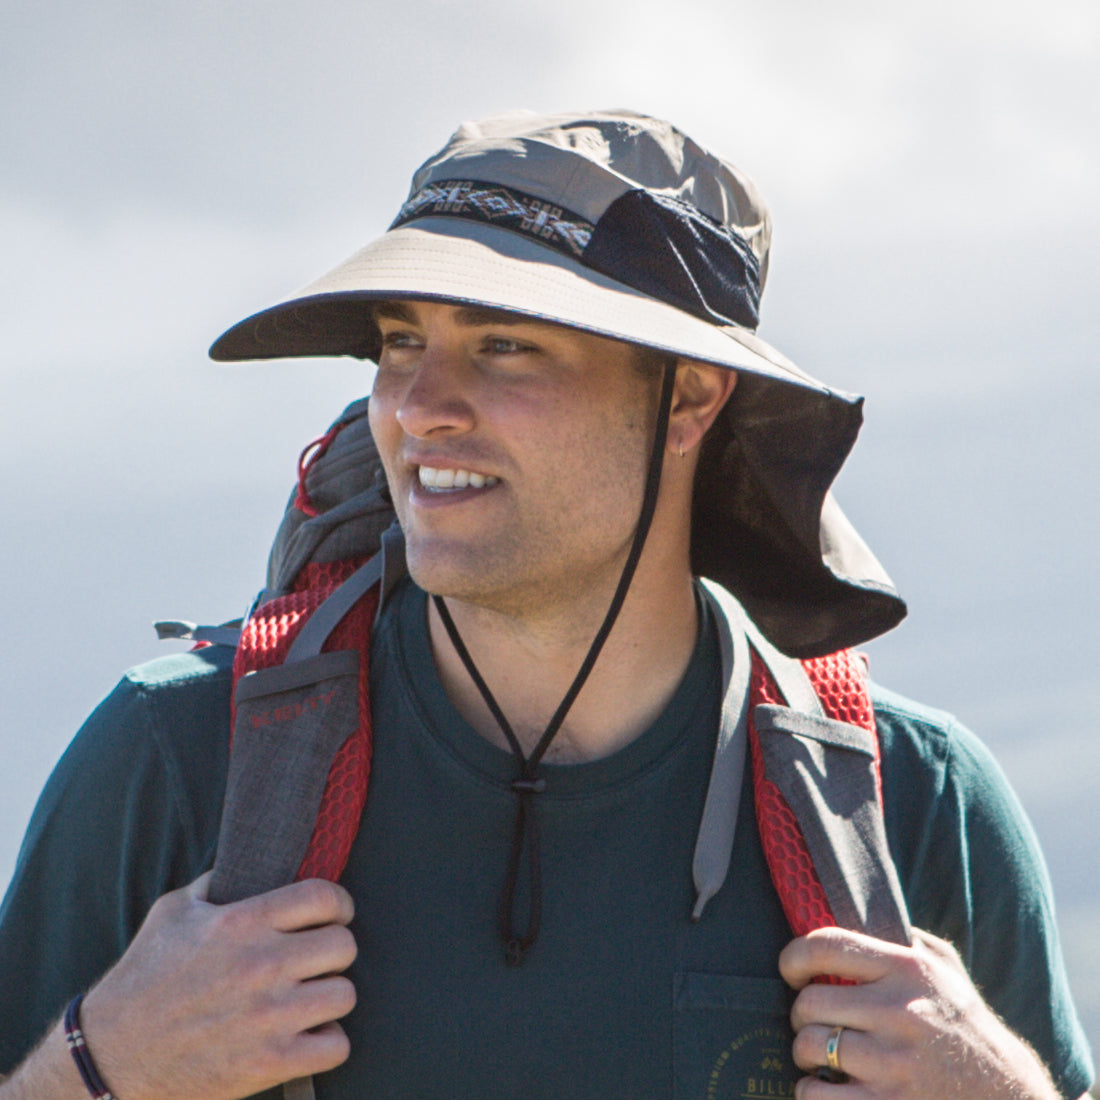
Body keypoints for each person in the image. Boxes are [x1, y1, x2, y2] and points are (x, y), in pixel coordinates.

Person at [0, 109, 1092, 1100]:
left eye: (504, 344)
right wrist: (94, 1069)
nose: (419, 407)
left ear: (689, 395)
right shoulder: (183, 758)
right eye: (399, 340)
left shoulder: (911, 804)